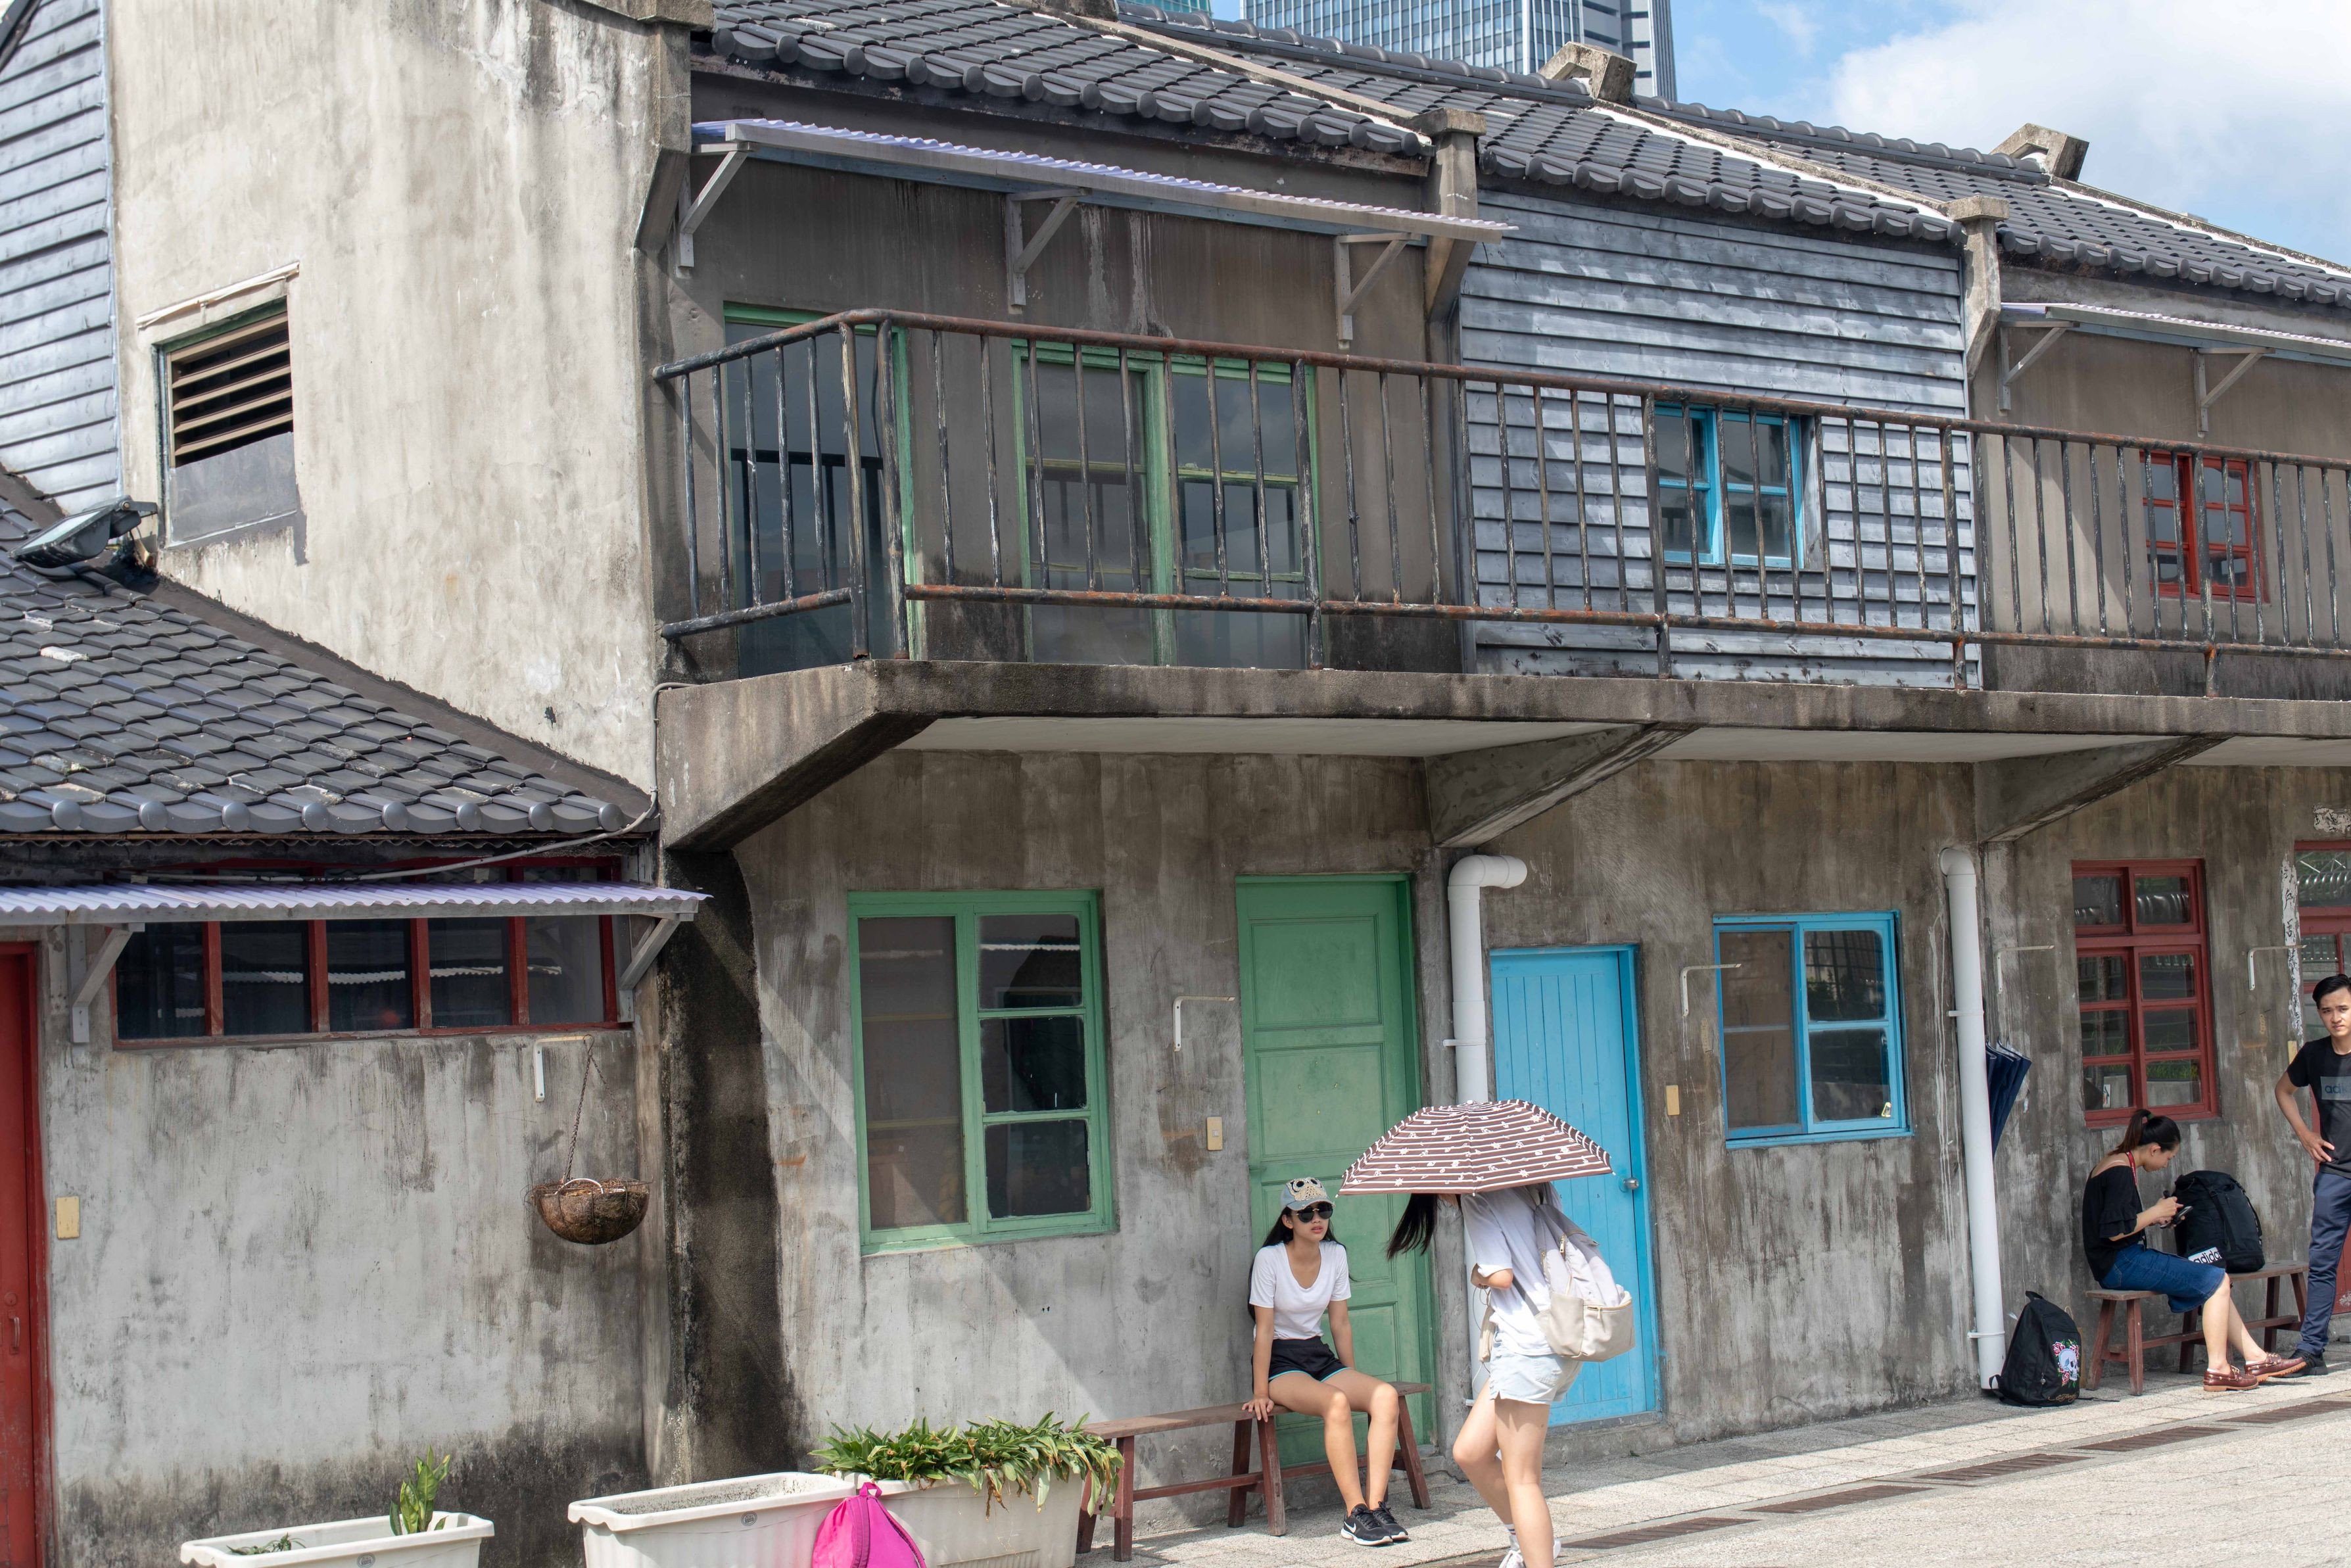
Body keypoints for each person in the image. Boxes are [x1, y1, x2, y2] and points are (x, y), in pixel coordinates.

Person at [1389, 1183, 1575, 1568]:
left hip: (1528, 1345)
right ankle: (1526, 1540)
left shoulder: (1478, 1198)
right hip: (1555, 1335)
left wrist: (1478, 1274)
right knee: (1470, 1452)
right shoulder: (1537, 1184)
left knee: (1523, 1480)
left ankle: (1537, 1554)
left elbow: (1501, 1275)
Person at [2084, 1108, 2303, 1391]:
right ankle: (2219, 1369)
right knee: (2217, 1280)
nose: (2167, 1164)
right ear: (2154, 1149)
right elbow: (2114, 1232)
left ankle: (2256, 1358)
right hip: (2121, 1264)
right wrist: (2155, 1212)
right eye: (2168, 1157)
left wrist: (2159, 1217)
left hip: (2121, 1261)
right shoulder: (2120, 1172)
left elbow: (2121, 1223)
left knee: (2214, 1278)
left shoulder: (2116, 1162)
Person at [1245, 1177, 1408, 1548]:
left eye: (1323, 1210)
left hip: (1317, 1354)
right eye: (1306, 1213)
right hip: (1280, 1360)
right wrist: (1260, 1391)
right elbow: (1264, 1330)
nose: (1316, 1219)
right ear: (1288, 1220)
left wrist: (1351, 1376)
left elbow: (1340, 1323)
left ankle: (1377, 1507)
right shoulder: (1269, 1259)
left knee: (1384, 1396)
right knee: (1335, 1401)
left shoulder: (1335, 1254)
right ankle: (1354, 1514)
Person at [2275, 971, 2351, 1376]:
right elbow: (2283, 1091)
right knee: (2322, 1264)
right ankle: (2311, 1351)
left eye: (2343, 1009)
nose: (2336, 1017)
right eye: (2327, 1011)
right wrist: (2305, 1134)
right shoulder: (2314, 1055)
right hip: (2335, 1174)